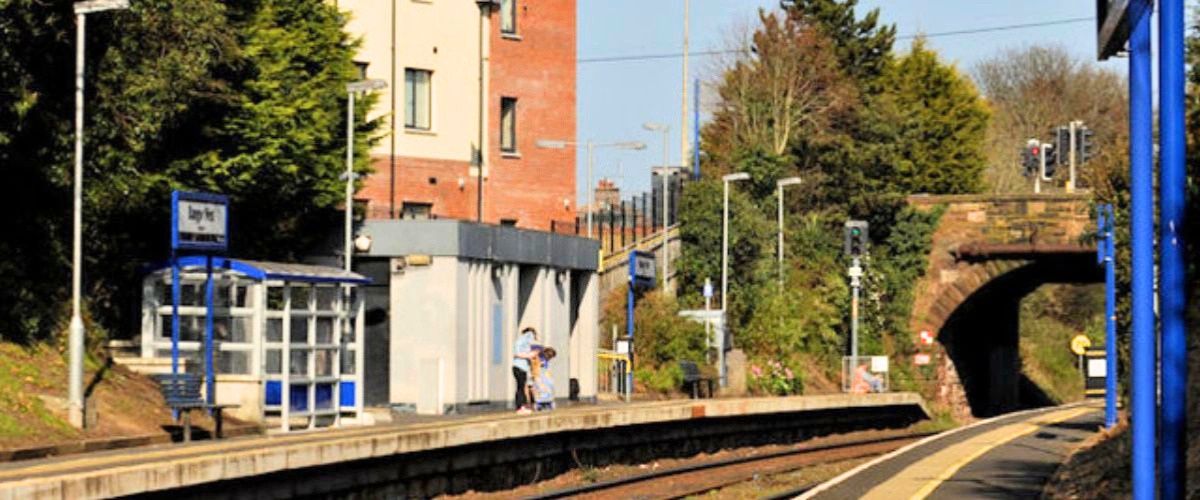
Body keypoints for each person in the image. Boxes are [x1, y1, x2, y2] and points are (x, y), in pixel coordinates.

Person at [512, 327, 539, 414]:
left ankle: (522, 406)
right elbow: (517, 354)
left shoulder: (523, 342)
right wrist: (530, 355)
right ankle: (520, 406)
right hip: (519, 367)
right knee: (521, 387)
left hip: (521, 367)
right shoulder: (522, 341)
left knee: (521, 387)